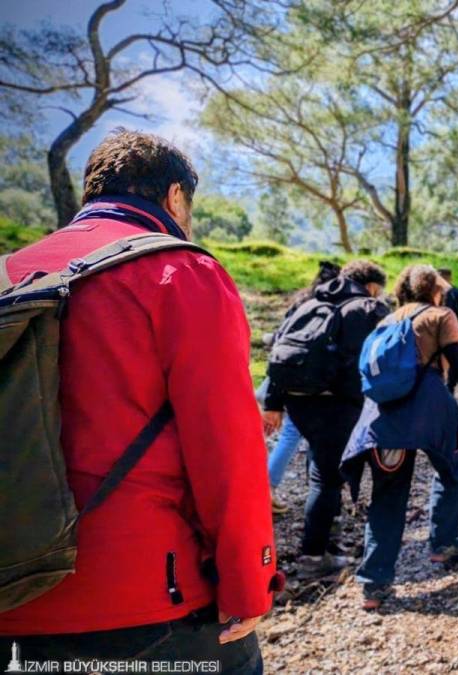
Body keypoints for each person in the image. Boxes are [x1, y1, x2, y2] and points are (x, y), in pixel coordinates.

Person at [0, 130, 275, 672]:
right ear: (175, 197)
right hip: (147, 602)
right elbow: (228, 451)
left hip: (13, 592)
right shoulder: (182, 272)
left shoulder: (9, 273)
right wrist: (250, 583)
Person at [342, 265, 458, 609]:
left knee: (387, 495)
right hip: (429, 408)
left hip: (382, 415)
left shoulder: (386, 319)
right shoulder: (440, 315)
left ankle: (374, 583)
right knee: (452, 467)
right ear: (435, 290)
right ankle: (444, 543)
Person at [263, 261, 391, 579]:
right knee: (327, 478)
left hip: (299, 401)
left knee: (323, 471)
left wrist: (273, 404)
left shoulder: (309, 302)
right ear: (372, 285)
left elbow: (279, 352)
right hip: (337, 404)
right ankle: (313, 557)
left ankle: (328, 544)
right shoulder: (368, 307)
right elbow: (372, 359)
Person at [260, 260, 341, 514]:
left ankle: (267, 489)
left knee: (289, 435)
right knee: (294, 435)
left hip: (285, 374)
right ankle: (268, 490)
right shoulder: (331, 307)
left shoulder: (301, 303)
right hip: (309, 382)